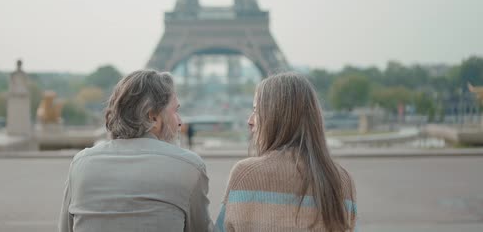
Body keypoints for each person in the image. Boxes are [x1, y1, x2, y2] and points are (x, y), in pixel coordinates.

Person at [59, 70, 213, 232]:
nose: (180, 122)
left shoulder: (80, 163)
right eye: (175, 111)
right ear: (152, 116)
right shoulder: (189, 166)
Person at [216, 72, 357, 231]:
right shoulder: (342, 180)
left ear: (275, 116)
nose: (250, 120)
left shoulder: (245, 174)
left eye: (256, 110)